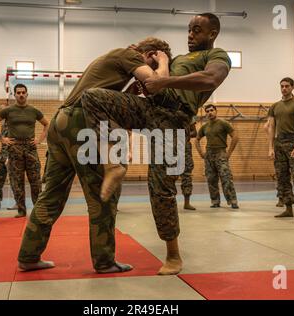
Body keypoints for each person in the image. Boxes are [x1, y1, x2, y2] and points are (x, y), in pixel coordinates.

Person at [81, 13, 231, 275]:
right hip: (150, 107)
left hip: (174, 119)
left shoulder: (216, 55)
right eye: (189, 30)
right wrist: (148, 65)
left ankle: (173, 255)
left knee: (160, 188)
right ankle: (114, 164)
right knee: (94, 97)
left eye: (197, 30)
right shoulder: (178, 60)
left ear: (212, 34)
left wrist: (167, 80)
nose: (191, 35)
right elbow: (151, 81)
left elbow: (211, 80)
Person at [17, 37, 173, 273]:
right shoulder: (129, 53)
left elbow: (117, 94)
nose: (149, 68)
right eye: (151, 61)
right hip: (81, 123)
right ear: (149, 53)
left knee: (52, 194)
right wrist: (163, 62)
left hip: (61, 123)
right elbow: (157, 81)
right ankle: (104, 261)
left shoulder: (112, 59)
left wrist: (131, 88)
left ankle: (28, 256)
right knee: (103, 195)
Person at [0, 84, 49, 218]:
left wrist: (39, 139)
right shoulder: (8, 110)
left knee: (35, 181)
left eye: (23, 92)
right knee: (17, 181)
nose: (21, 95)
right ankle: (21, 210)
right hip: (15, 148)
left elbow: (47, 124)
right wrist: (1, 138)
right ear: (14, 95)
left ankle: (37, 210)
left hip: (30, 147)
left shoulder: (33, 110)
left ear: (27, 94)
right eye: (18, 93)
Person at [268, 77, 294, 221]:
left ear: (292, 87)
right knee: (282, 178)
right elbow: (271, 127)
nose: (284, 88)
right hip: (279, 143)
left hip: (293, 142)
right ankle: (288, 208)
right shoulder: (274, 106)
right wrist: (270, 147)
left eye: (287, 86)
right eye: (282, 86)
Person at [195, 104, 239, 209]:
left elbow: (235, 136)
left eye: (211, 110)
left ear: (216, 111)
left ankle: (232, 200)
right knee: (211, 179)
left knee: (226, 178)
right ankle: (215, 201)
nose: (209, 112)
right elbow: (196, 139)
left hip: (221, 153)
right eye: (207, 111)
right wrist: (201, 153)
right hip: (209, 154)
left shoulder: (223, 123)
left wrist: (229, 153)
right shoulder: (205, 127)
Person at [181, 121, 197, 210]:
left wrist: (184, 135)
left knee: (186, 174)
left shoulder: (188, 116)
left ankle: (187, 203)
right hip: (169, 147)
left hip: (184, 148)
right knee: (167, 175)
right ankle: (167, 202)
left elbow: (194, 132)